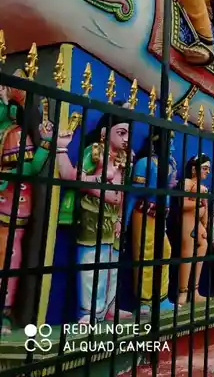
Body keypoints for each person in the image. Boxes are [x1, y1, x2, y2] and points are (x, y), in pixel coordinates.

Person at [56, 104, 133, 323]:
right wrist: (99, 183)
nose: (126, 138)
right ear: (104, 133)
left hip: (113, 219)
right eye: (121, 132)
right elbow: (73, 176)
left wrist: (119, 218)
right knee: (92, 266)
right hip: (92, 215)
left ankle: (110, 307)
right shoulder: (95, 152)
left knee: (113, 267)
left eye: (128, 133)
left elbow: (124, 193)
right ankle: (89, 311)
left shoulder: (125, 159)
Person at [0, 75, 54, 332]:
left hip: (8, 206)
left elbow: (30, 167)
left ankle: (4, 312)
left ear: (11, 109)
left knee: (6, 256)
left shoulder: (15, 134)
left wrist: (44, 143)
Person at [128, 131, 177, 312]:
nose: (172, 145)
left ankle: (161, 297)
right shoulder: (145, 163)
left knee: (165, 251)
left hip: (160, 215)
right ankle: (145, 300)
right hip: (144, 212)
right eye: (169, 141)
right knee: (145, 254)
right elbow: (135, 191)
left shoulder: (170, 163)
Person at [178, 154, 210, 304]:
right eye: (204, 168)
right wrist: (199, 203)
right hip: (187, 221)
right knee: (187, 253)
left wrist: (205, 203)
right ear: (193, 169)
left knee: (203, 245)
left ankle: (195, 289)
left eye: (208, 169)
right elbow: (182, 205)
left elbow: (205, 211)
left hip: (197, 222)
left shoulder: (202, 188)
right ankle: (182, 292)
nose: (207, 172)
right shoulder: (187, 183)